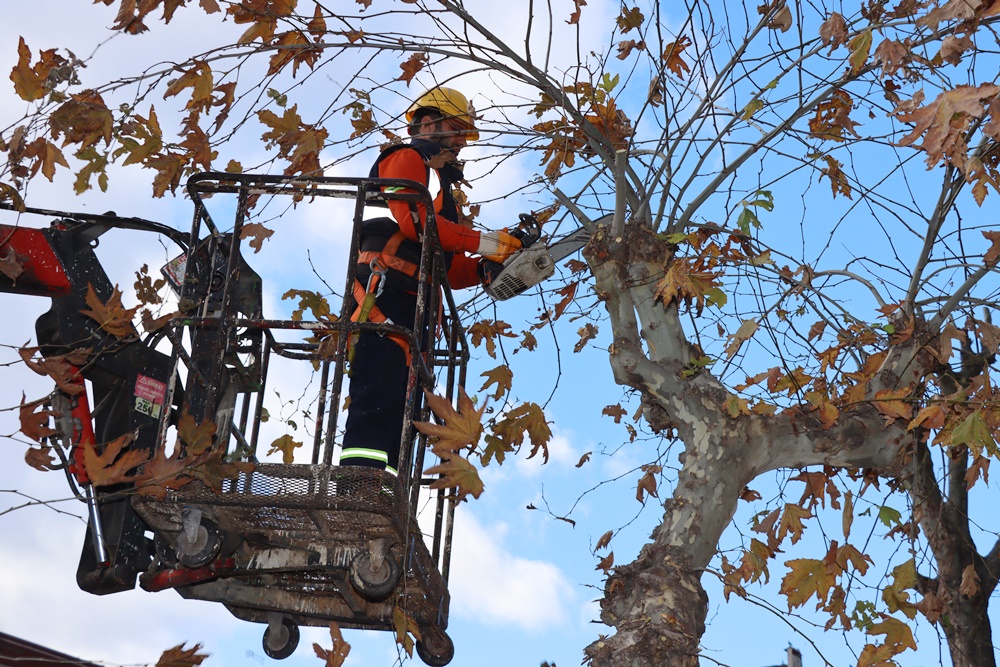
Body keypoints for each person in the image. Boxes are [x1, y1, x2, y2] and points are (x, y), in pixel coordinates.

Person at [339, 86, 522, 473]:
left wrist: (484, 267)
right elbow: (420, 226)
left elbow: (448, 270)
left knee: (400, 419)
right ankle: (355, 491)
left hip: (416, 312)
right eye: (455, 129)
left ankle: (386, 495)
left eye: (463, 134)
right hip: (385, 298)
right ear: (426, 123)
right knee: (376, 401)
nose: (459, 141)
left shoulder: (443, 190)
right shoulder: (405, 158)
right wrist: (491, 244)